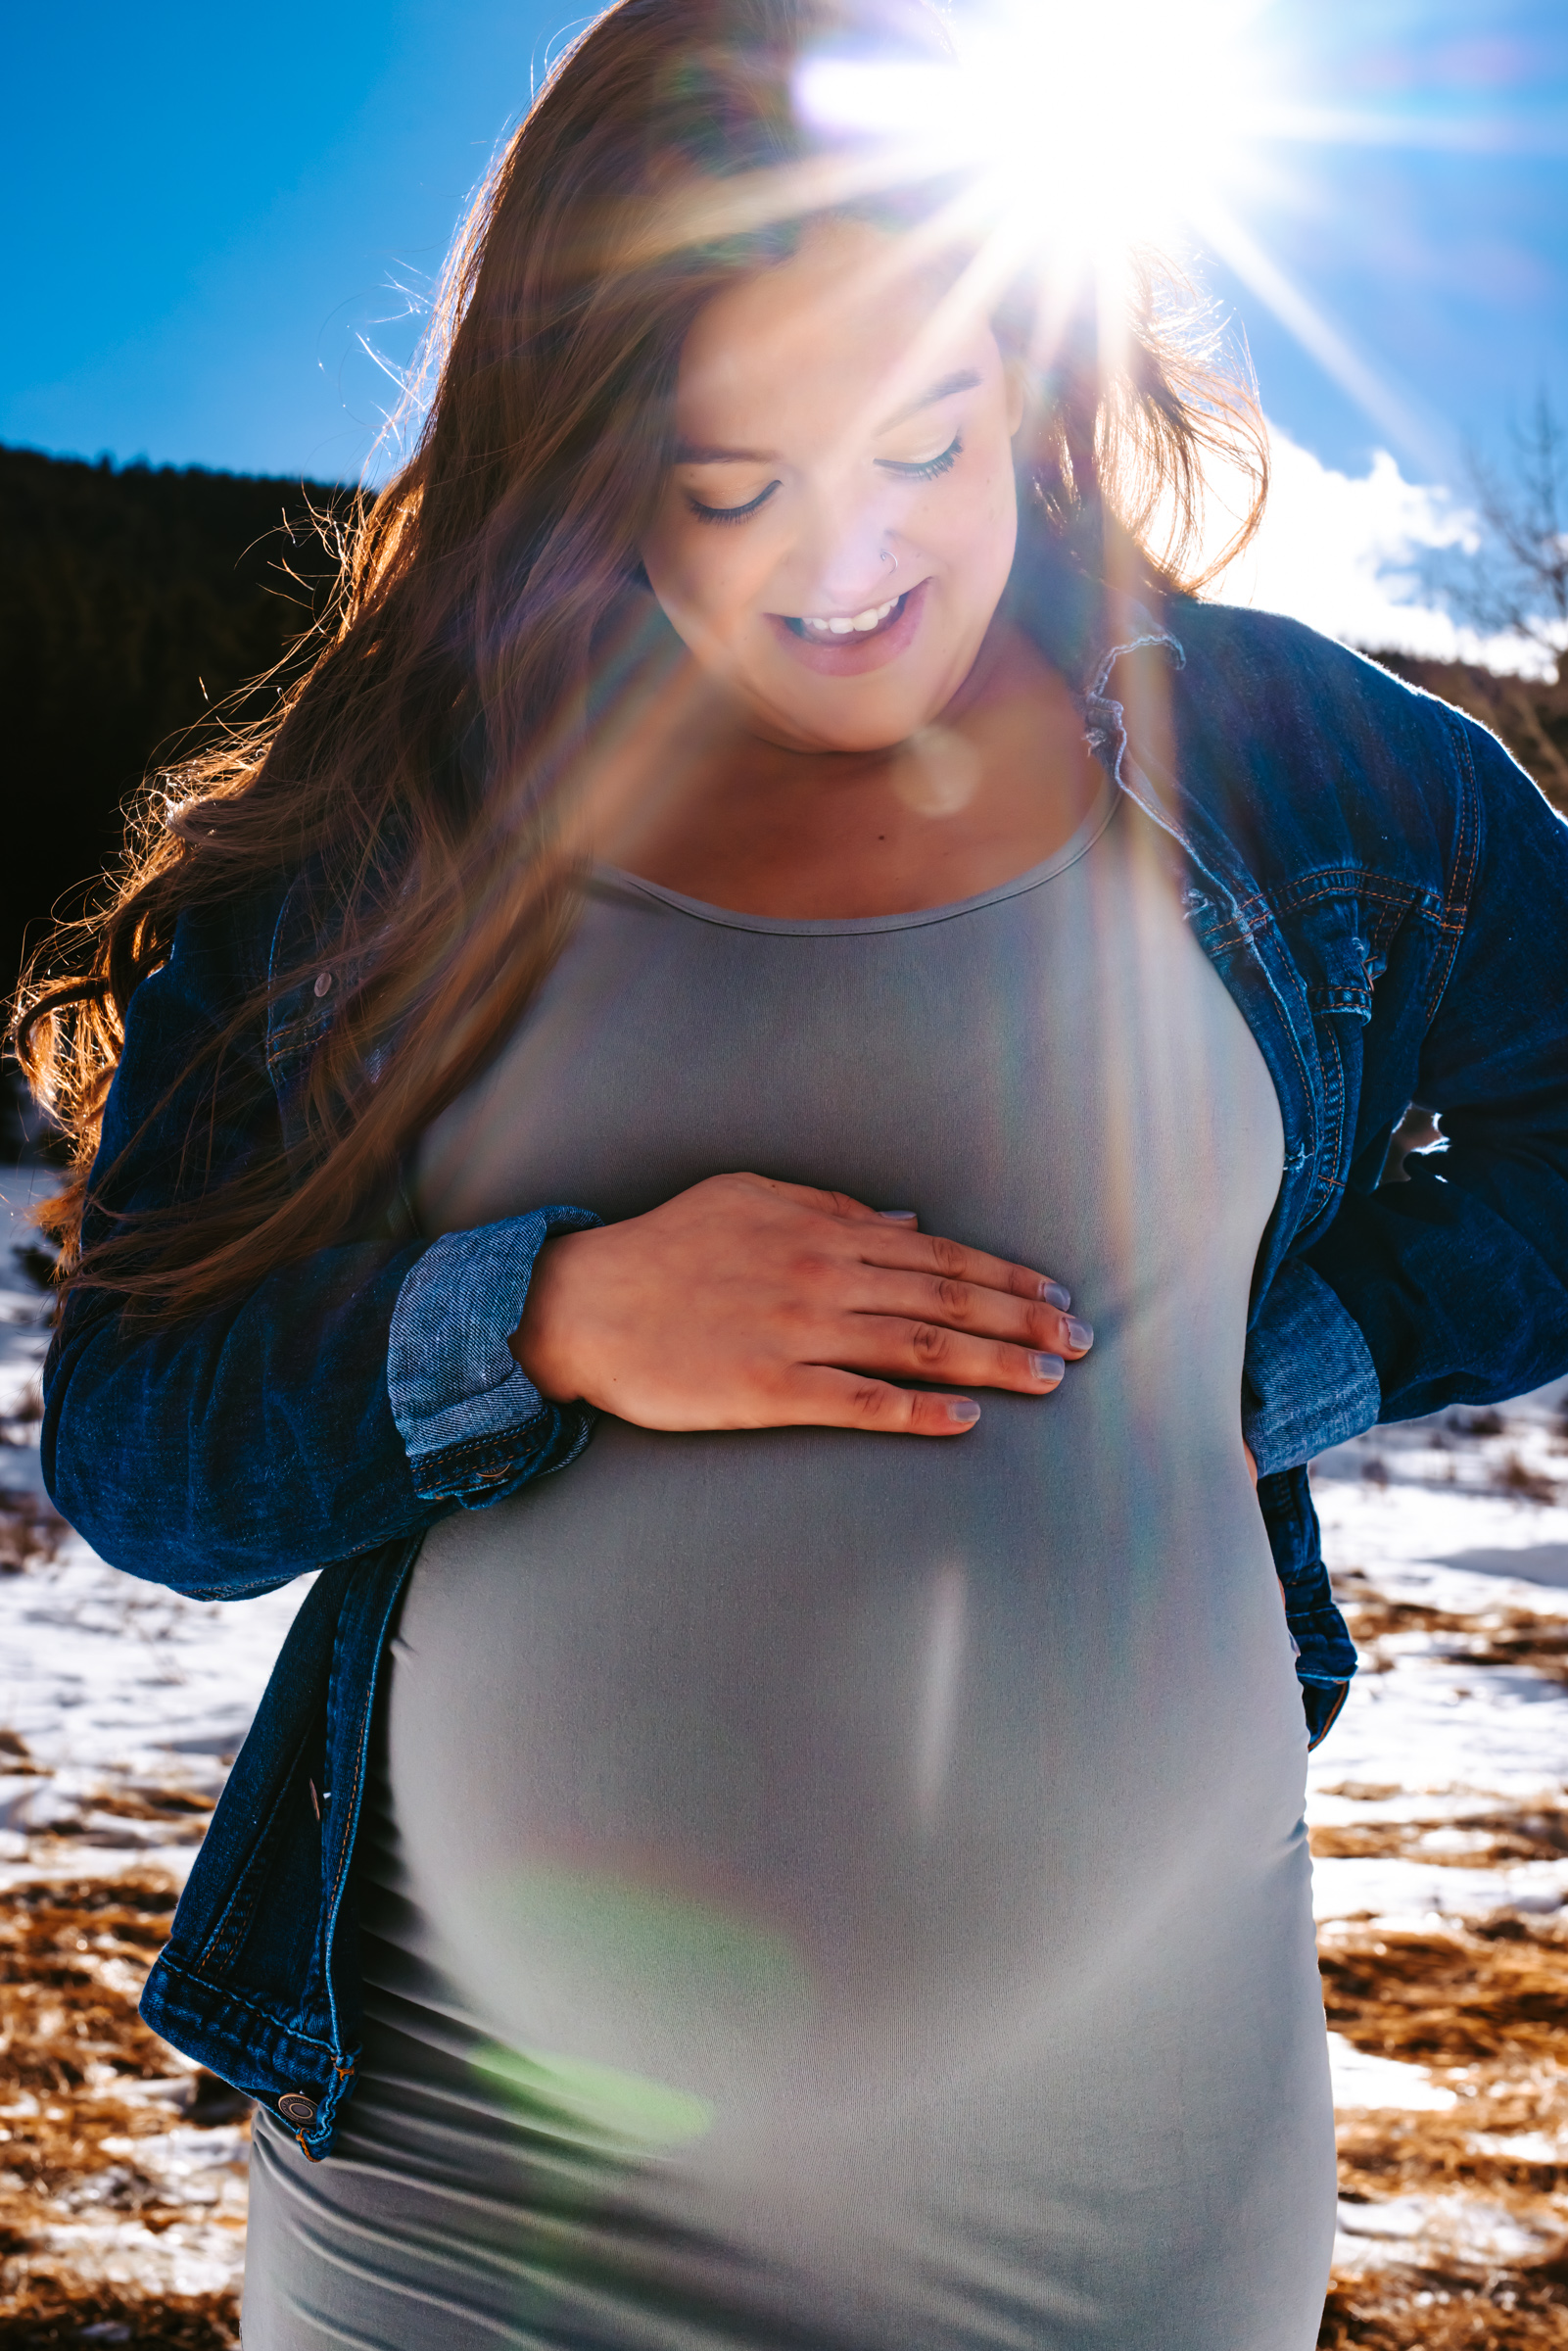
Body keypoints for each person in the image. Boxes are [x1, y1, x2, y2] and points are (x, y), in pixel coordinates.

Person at [18, 1, 1568, 2344]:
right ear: (591, 457)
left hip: (1109, 2217)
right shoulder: (397, 828)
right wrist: (541, 1319)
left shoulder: (1284, 769)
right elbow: (144, 1435)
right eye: (731, 488)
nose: (845, 566)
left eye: (922, 447)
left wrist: (1306, 1350)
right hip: (473, 2203)